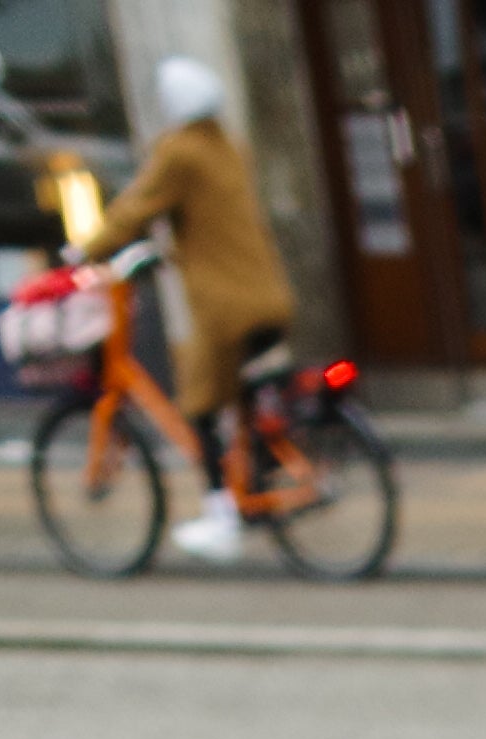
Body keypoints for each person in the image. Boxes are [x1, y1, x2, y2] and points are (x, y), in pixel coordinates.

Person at [87, 55, 289, 565]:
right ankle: (259, 473)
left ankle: (223, 518)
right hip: (270, 294)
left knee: (198, 401)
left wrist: (85, 250)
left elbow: (138, 206)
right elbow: (211, 217)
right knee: (237, 392)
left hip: (226, 305)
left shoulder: (179, 152)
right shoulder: (229, 146)